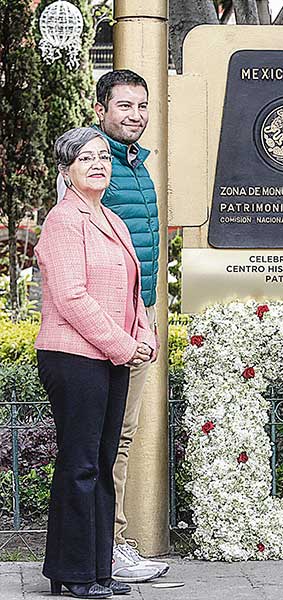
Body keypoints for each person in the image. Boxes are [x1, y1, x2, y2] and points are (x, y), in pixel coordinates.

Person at [36, 127, 158, 598]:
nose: (98, 164)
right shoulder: (62, 222)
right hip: (73, 356)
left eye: (103, 156)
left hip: (109, 356)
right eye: (85, 157)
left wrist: (142, 334)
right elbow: (71, 296)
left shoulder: (113, 219)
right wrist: (124, 346)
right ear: (67, 169)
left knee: (102, 464)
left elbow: (133, 292)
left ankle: (97, 569)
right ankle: (72, 573)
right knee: (81, 464)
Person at [93, 69, 168, 582]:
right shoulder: (94, 164)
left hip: (134, 322)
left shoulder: (137, 166)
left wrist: (148, 320)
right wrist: (120, 331)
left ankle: (109, 545)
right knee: (103, 443)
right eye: (124, 106)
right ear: (101, 110)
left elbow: (144, 256)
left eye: (142, 106)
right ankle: (107, 548)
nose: (135, 115)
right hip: (103, 331)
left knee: (120, 438)